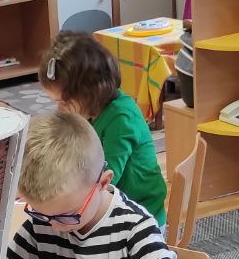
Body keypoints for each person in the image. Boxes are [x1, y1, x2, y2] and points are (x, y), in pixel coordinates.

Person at [0, 110, 191, 259]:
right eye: (41, 213)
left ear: (103, 182)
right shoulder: (44, 222)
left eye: (68, 216)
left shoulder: (133, 226)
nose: (55, 226)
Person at [40, 30, 166, 225]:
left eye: (64, 101)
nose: (60, 109)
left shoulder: (121, 119)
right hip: (112, 205)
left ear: (90, 91)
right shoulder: (90, 111)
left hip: (141, 216)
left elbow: (104, 180)